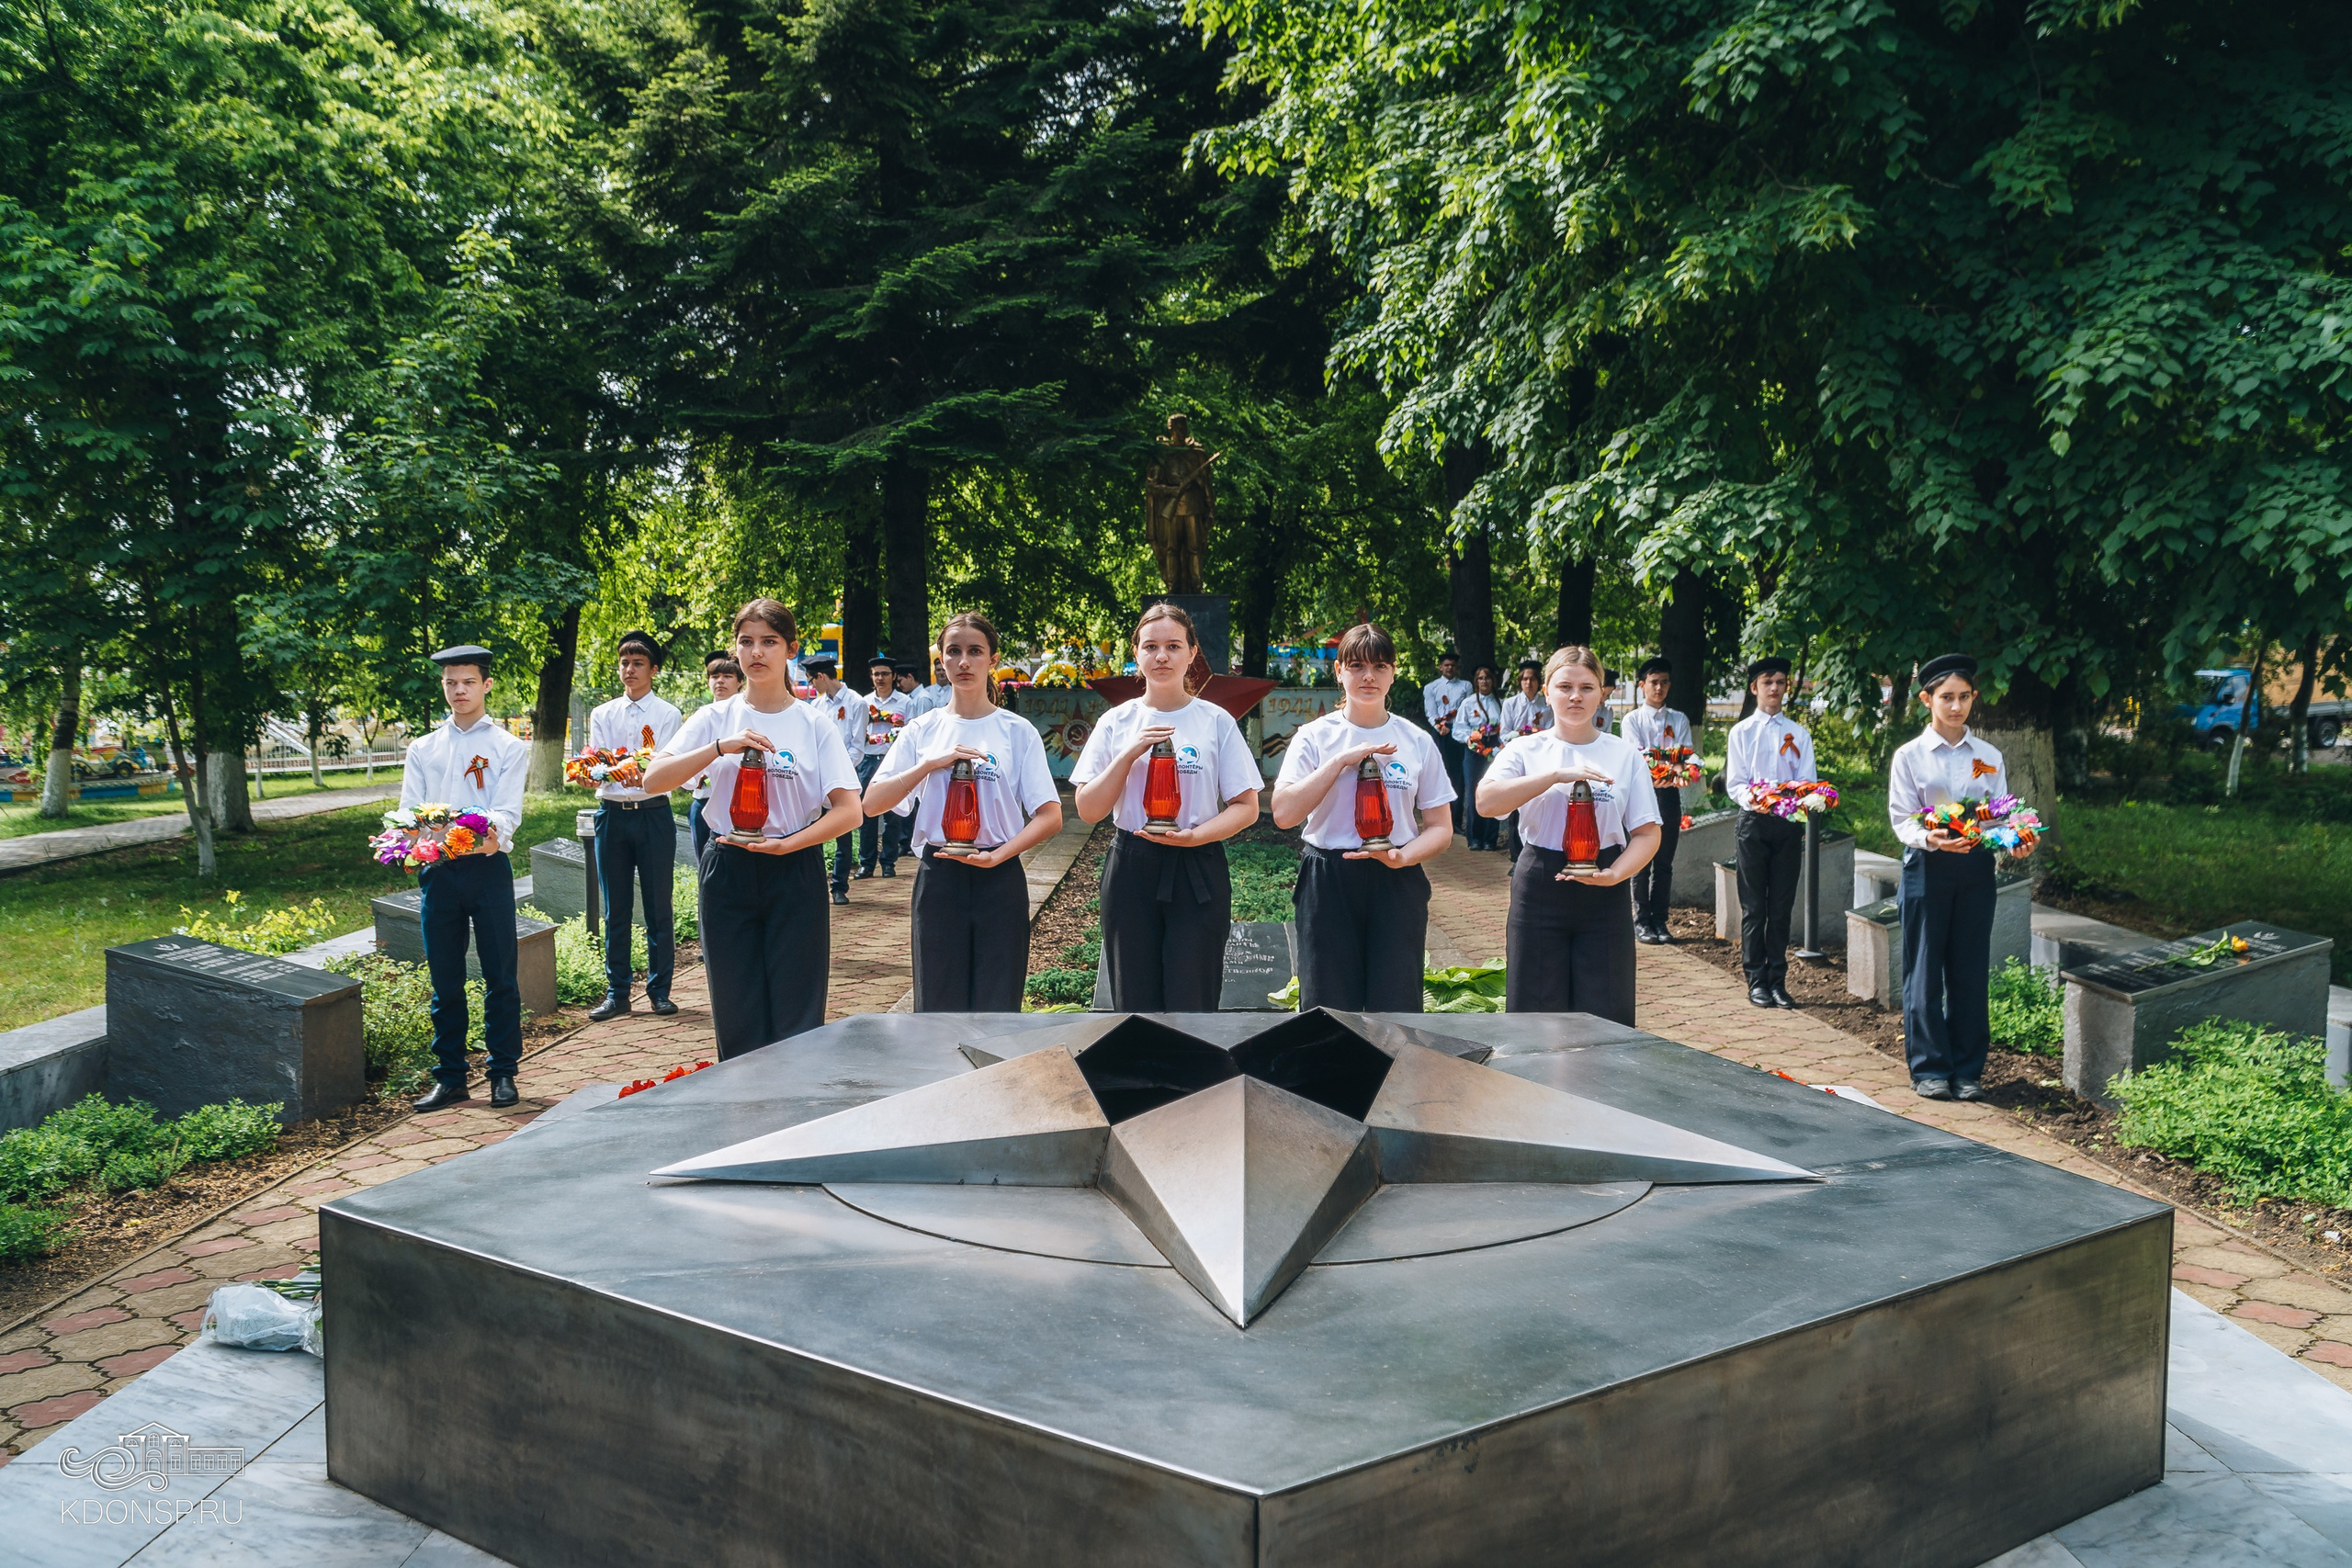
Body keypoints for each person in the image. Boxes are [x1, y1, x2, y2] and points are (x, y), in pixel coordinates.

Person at [642, 601, 862, 1057]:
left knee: (797, 1014)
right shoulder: (713, 718)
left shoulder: (813, 724)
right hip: (728, 868)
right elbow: (653, 780)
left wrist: (789, 845)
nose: (756, 652)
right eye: (746, 642)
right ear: (735, 649)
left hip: (794, 869)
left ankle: (796, 1119)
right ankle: (744, 1119)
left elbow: (849, 811)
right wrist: (720, 747)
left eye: (769, 642)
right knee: (736, 1008)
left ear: (791, 650)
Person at [865, 613, 1065, 1010]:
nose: (963, 662)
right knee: (938, 1003)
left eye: (975, 651)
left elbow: (1050, 815)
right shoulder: (922, 730)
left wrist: (1000, 856)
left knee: (998, 1003)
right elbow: (872, 803)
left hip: (1000, 877)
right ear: (941, 659)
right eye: (953, 652)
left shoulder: (1016, 731)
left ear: (993, 659)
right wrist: (927, 766)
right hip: (940, 877)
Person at [1072, 604, 1262, 1010]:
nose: (1162, 656)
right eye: (1152, 646)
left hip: (1198, 864)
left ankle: (1195, 1075)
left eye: (1174, 646)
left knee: (1193, 995)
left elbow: (1246, 806)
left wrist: (1196, 837)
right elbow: (1088, 810)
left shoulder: (1215, 720)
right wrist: (1127, 755)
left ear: (1192, 653)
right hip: (1131, 866)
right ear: (1136, 652)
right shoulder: (1116, 723)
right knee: (1133, 999)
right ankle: (1139, 1074)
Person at [1270, 622, 1455, 1011]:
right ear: (1338, 672)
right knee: (1327, 1004)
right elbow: (1285, 813)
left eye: (1380, 666)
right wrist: (1339, 762)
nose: (1368, 676)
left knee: (1397, 1001)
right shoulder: (1315, 737)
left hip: (1396, 876)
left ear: (1393, 672)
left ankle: (1396, 1074)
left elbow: (1440, 828)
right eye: (1356, 666)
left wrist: (1403, 857)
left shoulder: (1417, 741)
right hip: (1329, 879)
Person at [1476, 646, 1659, 1023]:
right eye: (1565, 686)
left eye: (1587, 687)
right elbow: (1486, 802)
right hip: (1541, 883)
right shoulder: (1525, 749)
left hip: (1605, 887)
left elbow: (1646, 832)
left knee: (1607, 1012)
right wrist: (1554, 775)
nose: (1576, 696)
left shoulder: (1624, 755)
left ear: (1602, 692)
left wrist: (1615, 875)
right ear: (1547, 691)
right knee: (1534, 1010)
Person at [1888, 653, 2033, 1101]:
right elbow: (1901, 819)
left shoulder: (1988, 756)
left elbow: (2001, 816)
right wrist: (1932, 840)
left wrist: (2016, 840)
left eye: (1964, 697)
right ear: (1927, 699)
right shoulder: (1909, 756)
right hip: (1927, 869)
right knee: (1925, 970)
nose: (1956, 707)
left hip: (1974, 871)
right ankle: (1930, 1069)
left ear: (1973, 698)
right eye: (1946, 697)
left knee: (1969, 972)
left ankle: (1968, 1070)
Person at [404, 646, 530, 1111]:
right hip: (439, 874)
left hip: (488, 871)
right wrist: (418, 833)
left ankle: (502, 1072)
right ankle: (451, 1076)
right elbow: (411, 811)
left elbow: (506, 813)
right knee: (446, 978)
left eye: (468, 682)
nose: (459, 690)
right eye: (451, 682)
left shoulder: (507, 747)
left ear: (486, 685)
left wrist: (478, 832)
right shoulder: (423, 748)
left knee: (501, 975)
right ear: (443, 686)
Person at [585, 632, 684, 1023]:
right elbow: (597, 765)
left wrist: (640, 773)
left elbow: (668, 766)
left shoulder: (668, 714)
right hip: (612, 815)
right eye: (624, 663)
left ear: (653, 670)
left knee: (659, 905)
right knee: (617, 908)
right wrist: (607, 773)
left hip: (653, 814)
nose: (629, 670)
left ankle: (660, 991)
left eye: (638, 663)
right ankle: (617, 993)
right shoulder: (602, 714)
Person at [1724, 656, 1815, 1010]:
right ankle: (1755, 980)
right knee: (1754, 907)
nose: (1774, 688)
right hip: (1754, 823)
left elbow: (1807, 779)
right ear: (1754, 688)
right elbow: (1736, 783)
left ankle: (1778, 980)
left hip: (1788, 824)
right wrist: (1758, 798)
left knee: (1781, 906)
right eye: (1767, 682)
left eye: (1780, 682)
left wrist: (1797, 797)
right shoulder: (1742, 732)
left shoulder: (1799, 733)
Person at [1619, 657, 1695, 945]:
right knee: (1642, 859)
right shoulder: (1633, 720)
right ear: (1642, 686)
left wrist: (1675, 767)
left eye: (1664, 682)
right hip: (1641, 793)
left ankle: (1660, 920)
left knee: (1665, 861)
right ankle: (1641, 920)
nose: (1659, 688)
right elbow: (1637, 757)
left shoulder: (1679, 719)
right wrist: (1668, 763)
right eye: (1653, 682)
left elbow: (1685, 756)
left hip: (1669, 793)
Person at [801, 655, 864, 905]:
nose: (812, 687)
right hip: (816, 777)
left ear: (822, 676)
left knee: (843, 832)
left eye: (812, 681)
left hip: (842, 776)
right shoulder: (816, 706)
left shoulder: (856, 703)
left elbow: (857, 747)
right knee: (812, 828)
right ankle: (814, 881)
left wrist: (836, 771)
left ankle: (839, 885)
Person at [851, 654, 912, 879]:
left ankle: (888, 862)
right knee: (866, 812)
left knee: (893, 814)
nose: (880, 678)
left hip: (892, 761)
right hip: (868, 760)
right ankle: (866, 864)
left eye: (885, 674)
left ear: (894, 676)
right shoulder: (864, 702)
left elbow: (909, 734)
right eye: (876, 674)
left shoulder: (906, 703)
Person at [687, 652, 744, 863]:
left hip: (737, 804)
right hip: (703, 800)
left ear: (740, 681)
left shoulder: (747, 715)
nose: (720, 681)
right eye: (714, 676)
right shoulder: (700, 718)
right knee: (705, 863)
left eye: (727, 676)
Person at [1499, 659, 1550, 861]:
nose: (1529, 683)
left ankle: (1536, 849)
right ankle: (1515, 856)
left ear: (1539, 683)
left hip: (1540, 759)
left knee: (1537, 803)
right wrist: (1522, 734)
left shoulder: (1547, 706)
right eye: (1525, 679)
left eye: (1533, 679)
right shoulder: (1511, 704)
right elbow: (1504, 734)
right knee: (1515, 805)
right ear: (1520, 681)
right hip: (1519, 758)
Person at [1455, 666, 1507, 851]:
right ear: (1476, 682)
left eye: (1487, 678)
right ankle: (1475, 838)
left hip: (1495, 747)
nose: (1484, 681)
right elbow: (1458, 729)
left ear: (1493, 681)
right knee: (1474, 793)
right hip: (1474, 750)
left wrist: (1501, 746)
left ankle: (1490, 839)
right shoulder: (1468, 704)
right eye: (1480, 678)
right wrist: (1471, 737)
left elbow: (1506, 728)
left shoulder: (1501, 703)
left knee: (1495, 790)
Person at [1421, 651, 1474, 831]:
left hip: (1458, 731)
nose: (1449, 668)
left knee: (1458, 775)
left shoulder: (1466, 686)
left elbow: (1466, 708)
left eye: (1452, 665)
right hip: (1440, 732)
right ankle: (1440, 818)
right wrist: (1439, 726)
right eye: (1446, 665)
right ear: (1440, 667)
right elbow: (1430, 711)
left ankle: (1456, 820)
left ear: (1456, 667)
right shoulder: (1431, 687)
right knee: (1440, 773)